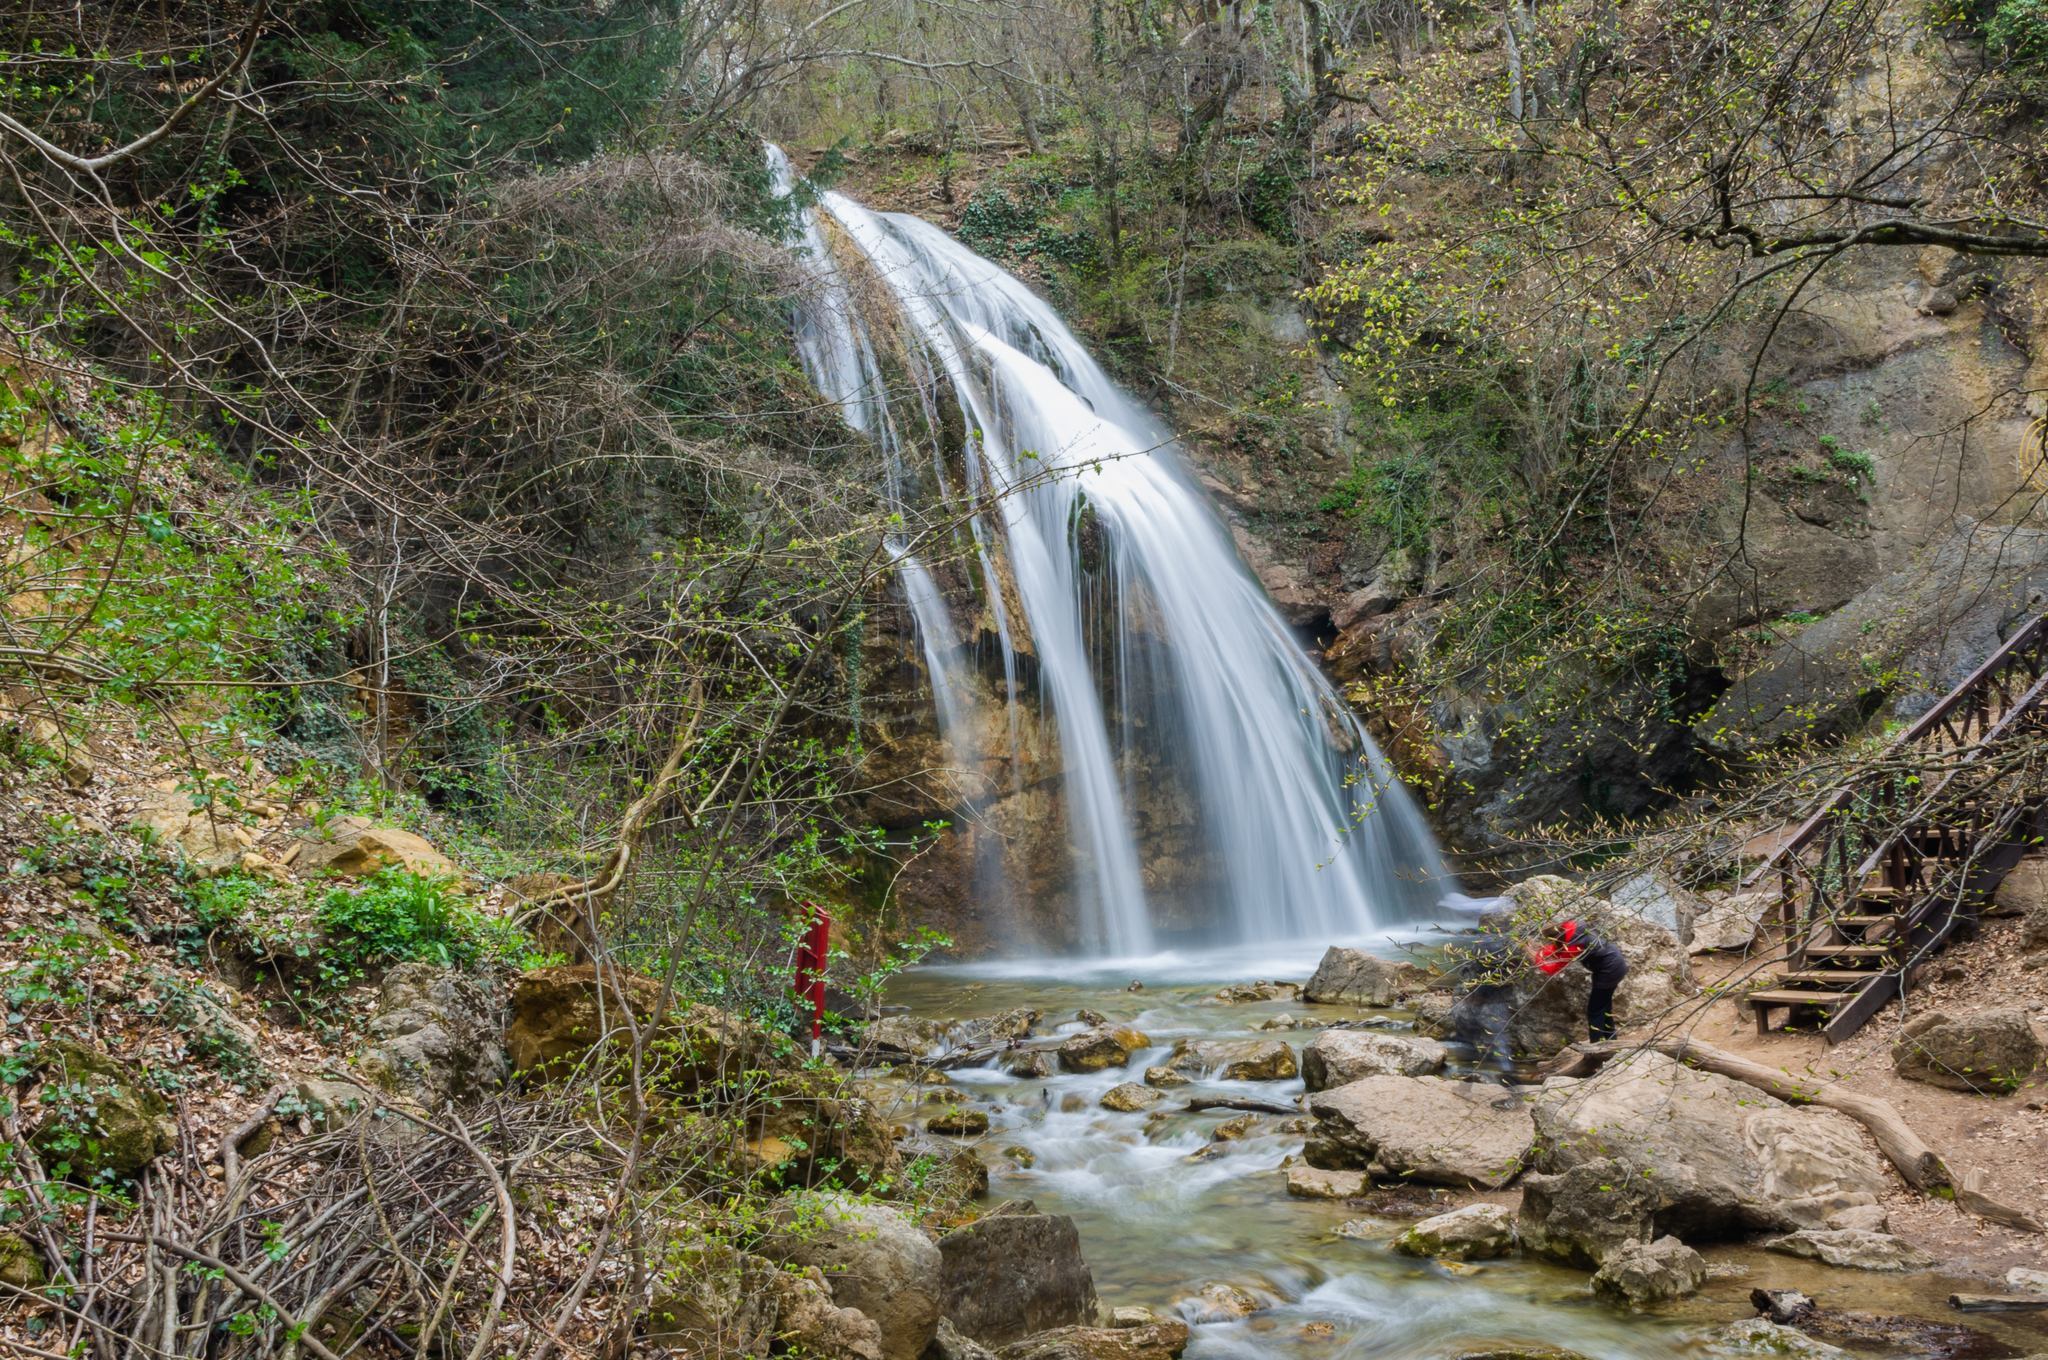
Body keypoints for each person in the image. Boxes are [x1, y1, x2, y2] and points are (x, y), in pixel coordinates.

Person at [1531, 920, 1629, 1042]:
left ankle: (1596, 1048)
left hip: (1609, 970)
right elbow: (1559, 950)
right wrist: (1542, 951)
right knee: (1604, 1007)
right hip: (1614, 961)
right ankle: (1612, 1041)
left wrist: (1535, 957)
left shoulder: (1574, 946)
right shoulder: (1572, 928)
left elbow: (1554, 968)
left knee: (1594, 1011)